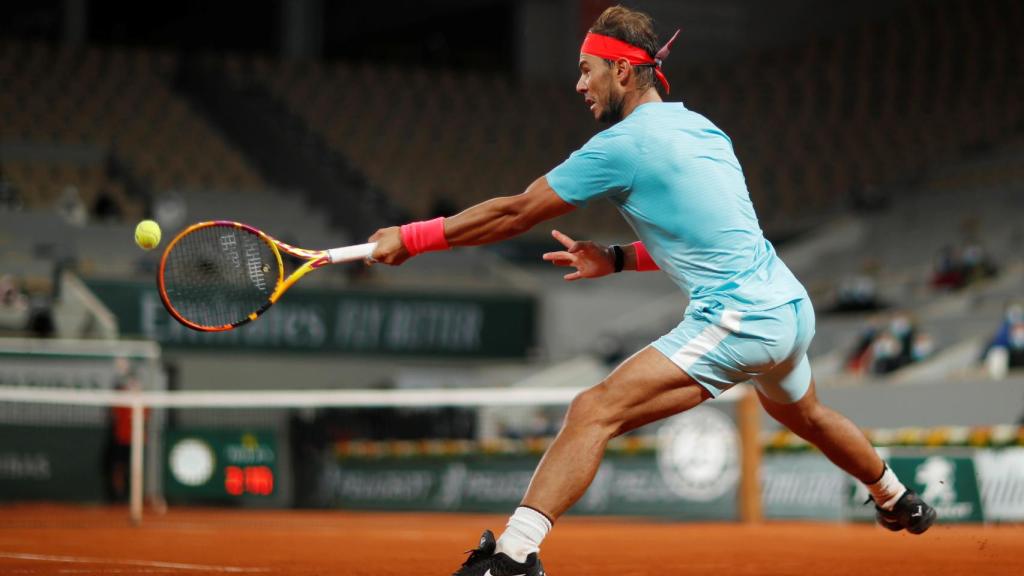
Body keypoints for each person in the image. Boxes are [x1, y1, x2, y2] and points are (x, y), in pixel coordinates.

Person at [368, 6, 936, 575]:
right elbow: (705, 239)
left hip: (741, 317)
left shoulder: (622, 146)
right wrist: (614, 259)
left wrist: (412, 238)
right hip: (788, 306)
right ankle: (894, 496)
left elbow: (516, 213)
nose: (579, 83)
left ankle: (514, 557)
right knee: (807, 414)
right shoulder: (703, 128)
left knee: (593, 410)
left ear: (621, 72)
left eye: (587, 69)